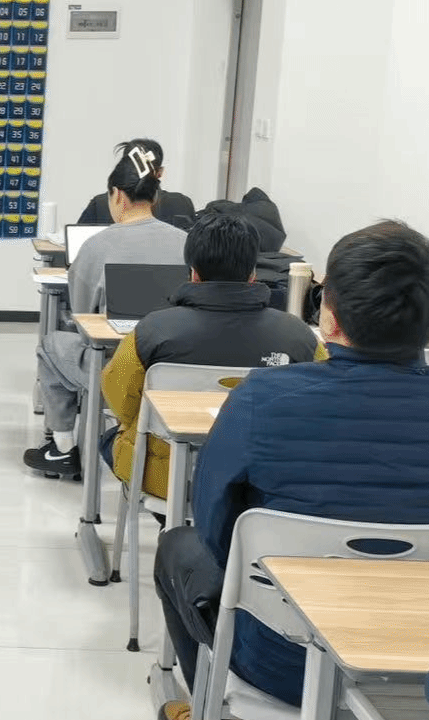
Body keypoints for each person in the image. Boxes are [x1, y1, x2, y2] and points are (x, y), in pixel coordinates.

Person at [151, 220, 429, 720]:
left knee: (178, 546)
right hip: (419, 660)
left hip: (281, 657)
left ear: (328, 317)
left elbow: (219, 529)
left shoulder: (263, 398)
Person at [100, 210, 325, 498]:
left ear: (193, 273)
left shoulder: (152, 331)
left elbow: (119, 399)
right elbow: (320, 404)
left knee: (112, 438)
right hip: (262, 479)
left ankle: (170, 521)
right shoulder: (299, 336)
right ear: (253, 273)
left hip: (169, 477)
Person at [26, 145, 189, 480]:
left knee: (51, 345)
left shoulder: (97, 246)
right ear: (155, 196)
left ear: (117, 195)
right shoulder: (186, 243)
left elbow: (82, 317)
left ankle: (62, 448)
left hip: (115, 371)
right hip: (174, 370)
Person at [77, 138, 196, 230]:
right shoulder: (182, 203)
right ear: (160, 172)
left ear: (125, 168)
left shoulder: (100, 204)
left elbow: (77, 247)